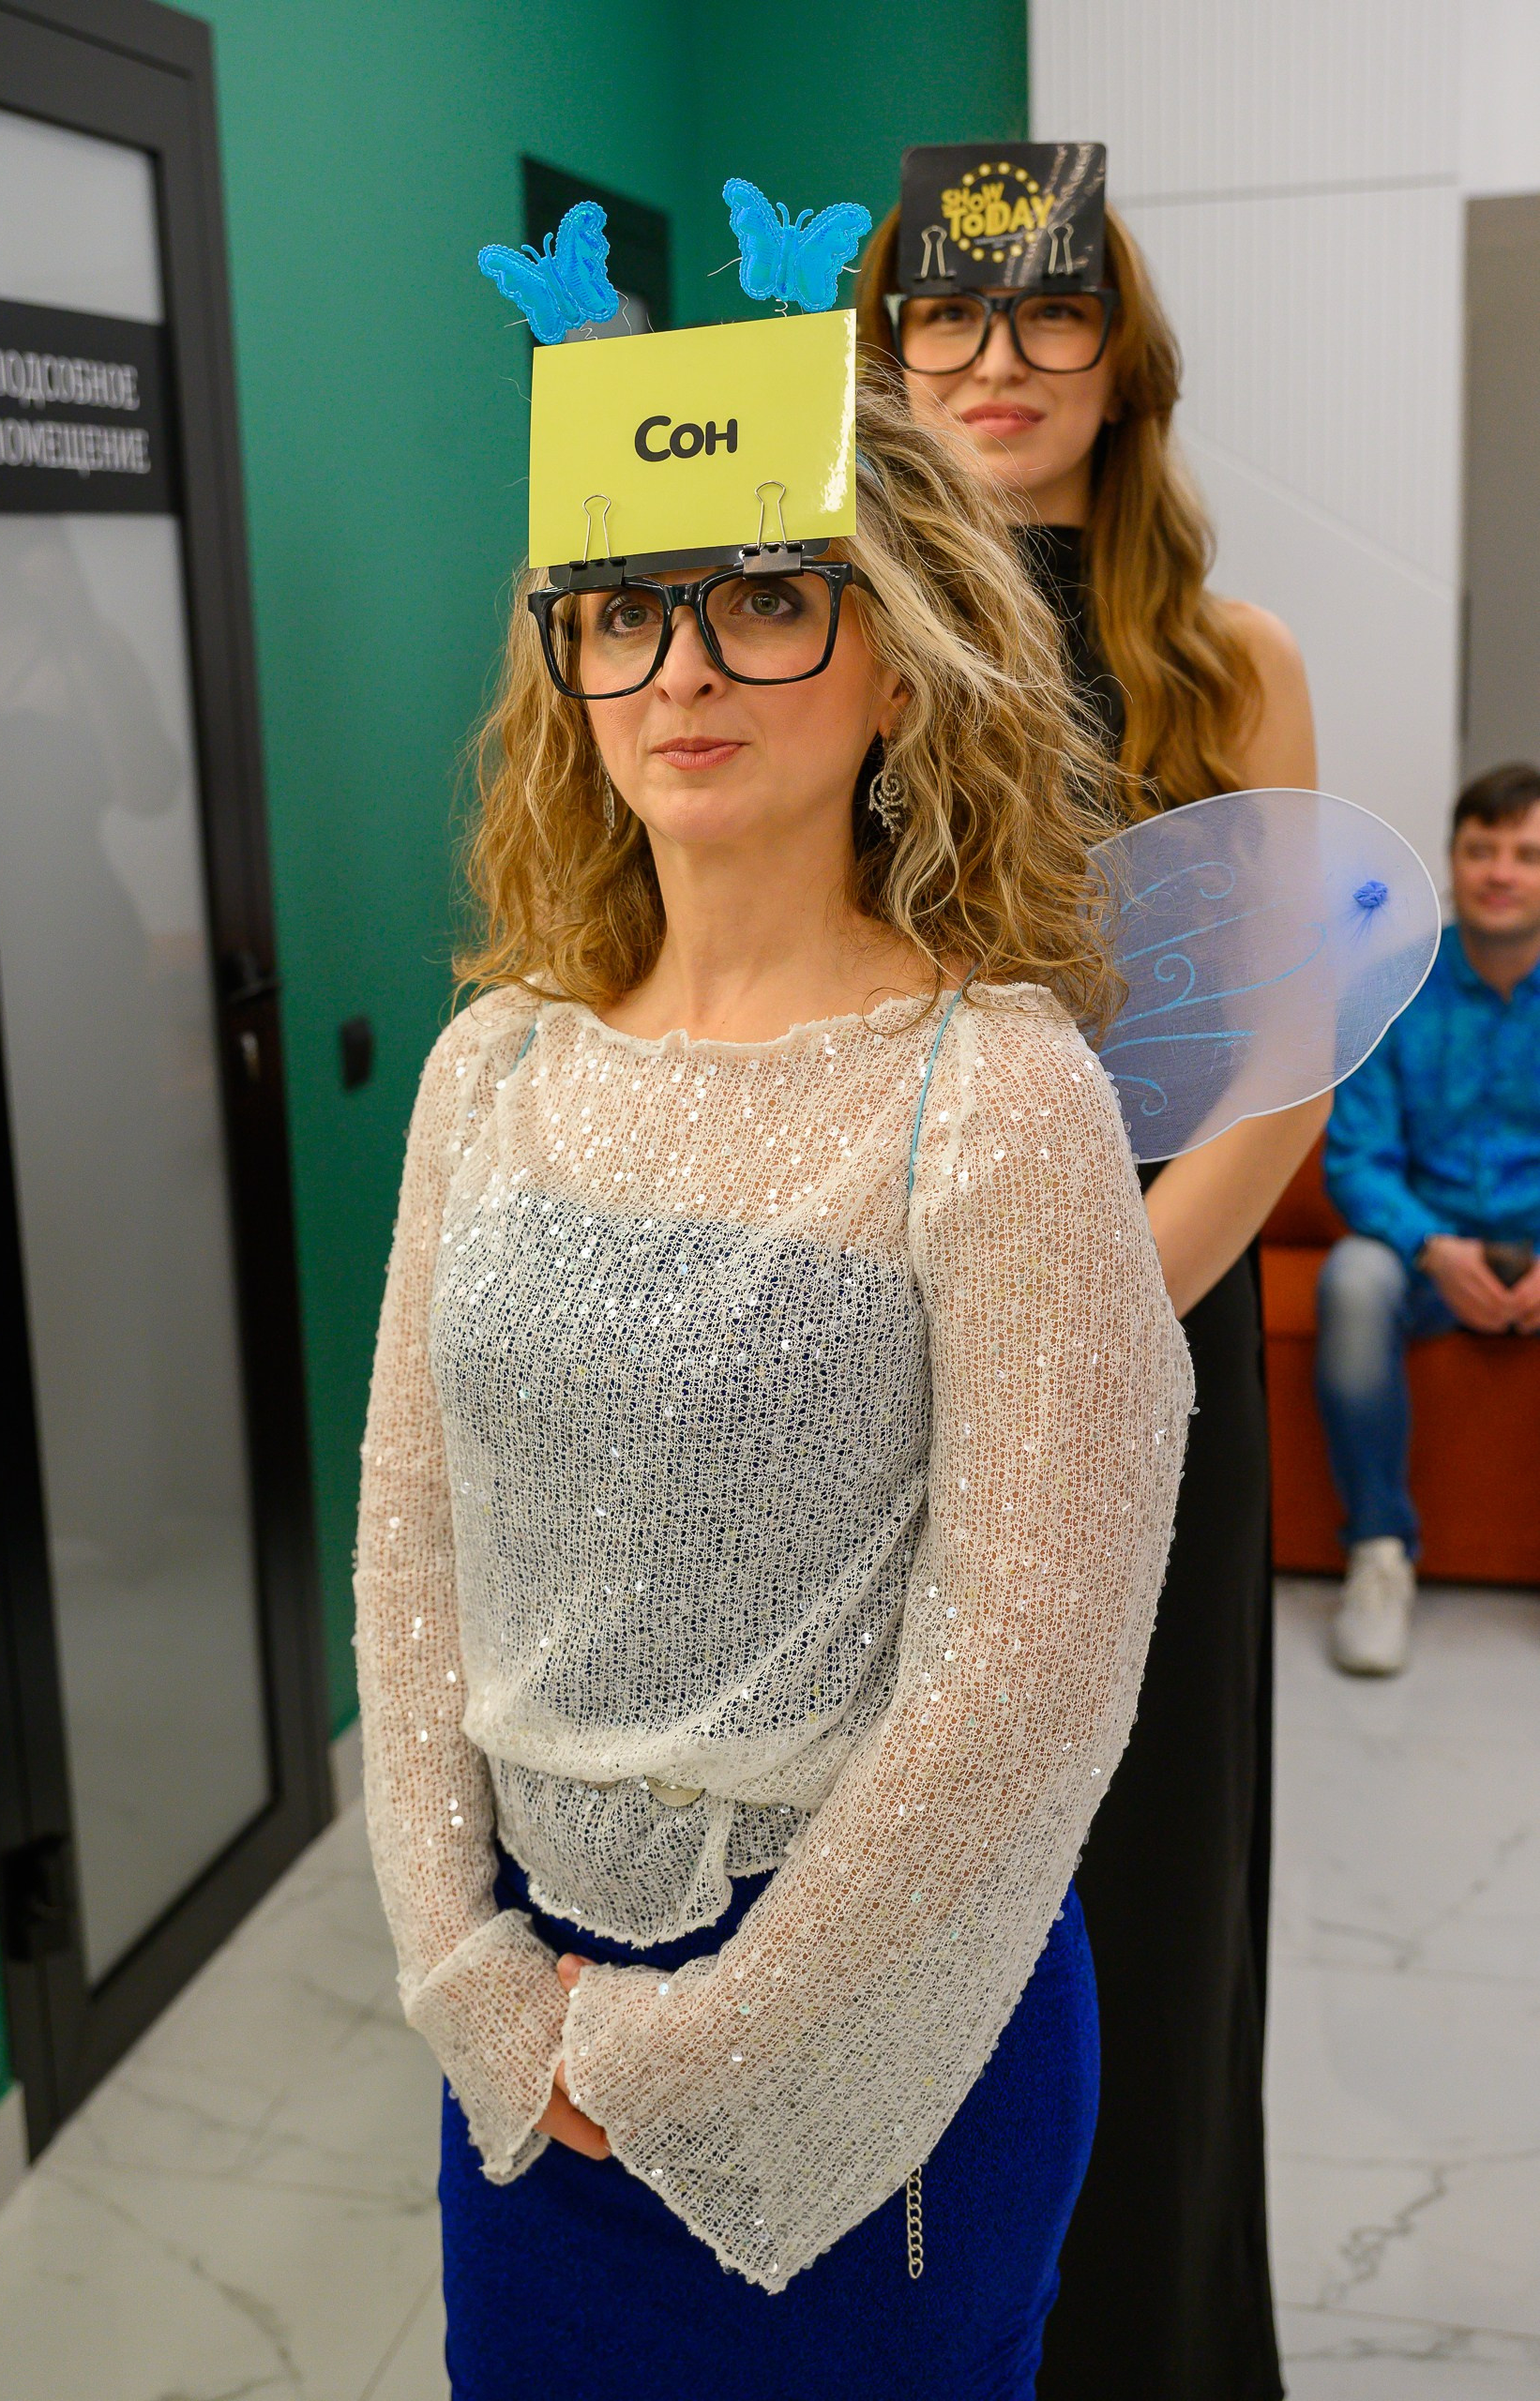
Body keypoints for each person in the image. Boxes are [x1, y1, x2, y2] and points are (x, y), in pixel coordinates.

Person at [354, 234, 1194, 2401]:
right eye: (619, 609)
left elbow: (1022, 1685)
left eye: (761, 593)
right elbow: (409, 1547)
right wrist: (463, 1968)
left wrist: (693, 2037)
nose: (680, 667)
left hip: (878, 2040)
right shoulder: (492, 1068)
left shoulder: (992, 1093)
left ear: (894, 658)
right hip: (525, 2038)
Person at [857, 140, 1322, 2401]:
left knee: (1134, 1884)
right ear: (884, 352)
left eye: (1046, 310)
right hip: (866, 1333)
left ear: (1118, 353)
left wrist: (1090, 1317)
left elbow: (1279, 1058)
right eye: (943, 315)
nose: (996, 360)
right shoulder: (822, 630)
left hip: (1147, 1314)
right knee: (879, 1881)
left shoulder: (1223, 666)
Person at [1319, 762, 1540, 1674]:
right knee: (1350, 1279)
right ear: (1452, 860)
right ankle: (1377, 1556)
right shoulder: (1391, 985)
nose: (1500, 872)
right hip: (1423, 1253)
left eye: (1525, 854)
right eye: (1481, 850)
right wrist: (1433, 1248)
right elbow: (1354, 1158)